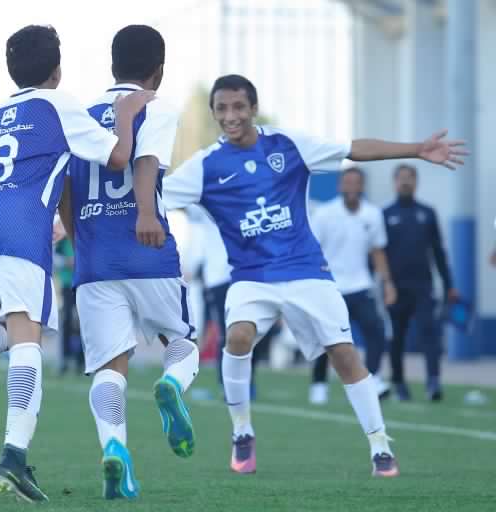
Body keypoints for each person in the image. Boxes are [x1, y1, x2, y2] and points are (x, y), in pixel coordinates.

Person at [161, 74, 467, 477]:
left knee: (344, 354)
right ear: (214, 113)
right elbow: (152, 198)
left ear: (253, 107)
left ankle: (379, 445)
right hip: (251, 277)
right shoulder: (203, 166)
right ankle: (241, 431)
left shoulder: (288, 145)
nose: (230, 116)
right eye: (221, 109)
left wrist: (416, 148)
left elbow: (353, 149)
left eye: (238, 107)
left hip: (307, 271)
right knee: (237, 336)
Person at [0, 24, 153, 502]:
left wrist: (60, 222)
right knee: (29, 338)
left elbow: (41, 169)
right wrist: (126, 111)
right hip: (21, 224)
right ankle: (14, 456)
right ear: (58, 70)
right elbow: (118, 156)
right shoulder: (61, 103)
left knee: (7, 328)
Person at [61, 25, 199, 500]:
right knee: (182, 342)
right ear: (158, 70)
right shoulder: (154, 104)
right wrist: (144, 212)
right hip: (148, 248)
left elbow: (66, 189)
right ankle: (171, 384)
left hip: (95, 259)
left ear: (112, 64)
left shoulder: (79, 114)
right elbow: (146, 161)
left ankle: (116, 450)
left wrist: (80, 238)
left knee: (108, 369)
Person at [308, 167, 395, 405]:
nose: (352, 187)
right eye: (347, 183)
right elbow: (312, 252)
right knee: (328, 340)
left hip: (361, 285)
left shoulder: (372, 214)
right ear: (340, 186)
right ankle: (318, 384)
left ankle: (374, 378)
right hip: (331, 288)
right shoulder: (325, 214)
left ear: (362, 186)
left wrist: (387, 284)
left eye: (356, 183)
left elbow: (378, 251)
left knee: (376, 332)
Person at [383, 164, 459, 401]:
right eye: (402, 178)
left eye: (410, 178)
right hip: (395, 288)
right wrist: (382, 284)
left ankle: (433, 382)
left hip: (423, 286)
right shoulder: (385, 214)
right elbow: (376, 254)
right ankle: (399, 384)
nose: (406, 182)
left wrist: (449, 285)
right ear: (395, 182)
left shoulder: (427, 213)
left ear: (416, 182)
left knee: (430, 333)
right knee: (397, 336)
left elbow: (438, 252)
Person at [54, 237, 83, 374]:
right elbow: (53, 256)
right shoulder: (62, 238)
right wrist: (66, 261)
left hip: (84, 282)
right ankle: (64, 359)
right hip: (67, 283)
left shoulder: (84, 231)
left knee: (83, 321)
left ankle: (82, 361)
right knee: (66, 320)